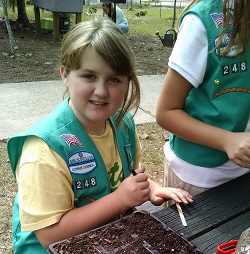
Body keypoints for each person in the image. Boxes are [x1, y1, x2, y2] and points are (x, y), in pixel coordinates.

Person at [7, 18, 193, 253]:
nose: (102, 91)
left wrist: (152, 189)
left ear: (128, 82)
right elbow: (49, 235)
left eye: (114, 79)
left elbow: (128, 175)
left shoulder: (122, 124)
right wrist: (120, 200)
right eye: (89, 76)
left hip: (102, 239)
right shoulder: (43, 151)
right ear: (65, 74)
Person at [156, 0, 250, 203]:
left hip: (242, 174)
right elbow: (166, 112)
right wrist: (226, 140)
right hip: (199, 180)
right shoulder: (201, 22)